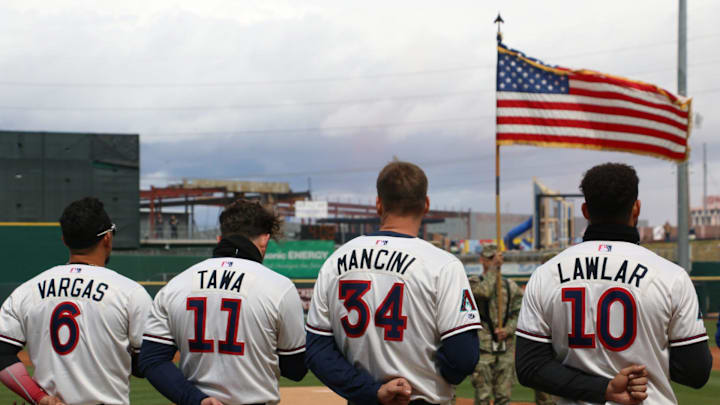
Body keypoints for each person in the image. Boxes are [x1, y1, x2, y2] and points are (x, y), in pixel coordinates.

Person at [515, 162, 713, 404]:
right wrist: (647, 358)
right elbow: (695, 372)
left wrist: (603, 388)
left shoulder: (546, 274)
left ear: (585, 211)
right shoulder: (671, 276)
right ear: (636, 208)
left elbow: (530, 367)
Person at [305, 161, 482, 405]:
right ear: (426, 204)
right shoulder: (443, 265)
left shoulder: (336, 261)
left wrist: (372, 391)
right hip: (423, 398)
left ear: (378, 204)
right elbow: (463, 357)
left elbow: (318, 351)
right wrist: (435, 375)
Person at [139, 199, 307, 405]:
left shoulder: (176, 285)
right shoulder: (279, 287)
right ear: (265, 240)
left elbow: (152, 360)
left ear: (220, 238)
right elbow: (296, 369)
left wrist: (197, 400)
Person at [0, 197, 152, 404]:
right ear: (107, 238)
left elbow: (2, 354)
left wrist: (40, 397)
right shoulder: (130, 292)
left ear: (64, 240)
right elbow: (145, 365)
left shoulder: (27, 291)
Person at [467, 244, 523, 405]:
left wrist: (508, 329)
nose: (494, 261)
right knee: (483, 396)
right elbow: (484, 292)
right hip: (483, 346)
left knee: (503, 397)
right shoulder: (474, 282)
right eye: (490, 258)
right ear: (482, 260)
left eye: (497, 258)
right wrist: (493, 269)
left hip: (505, 346)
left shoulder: (510, 286)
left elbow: (519, 312)